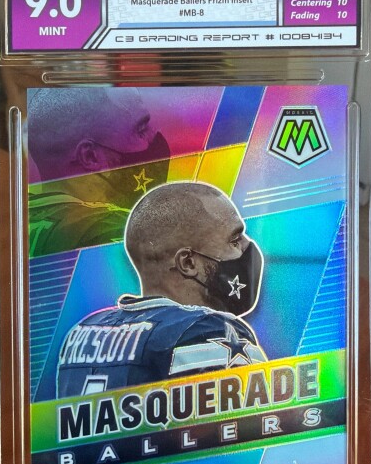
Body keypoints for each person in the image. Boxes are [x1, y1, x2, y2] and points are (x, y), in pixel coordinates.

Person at [57, 181, 267, 397]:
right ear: (188, 263)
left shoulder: (81, 333)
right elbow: (252, 416)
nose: (248, 246)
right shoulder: (208, 330)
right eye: (235, 240)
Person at [27, 87, 170, 257]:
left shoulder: (15, 219)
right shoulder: (111, 232)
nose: (154, 135)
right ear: (90, 156)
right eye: (141, 129)